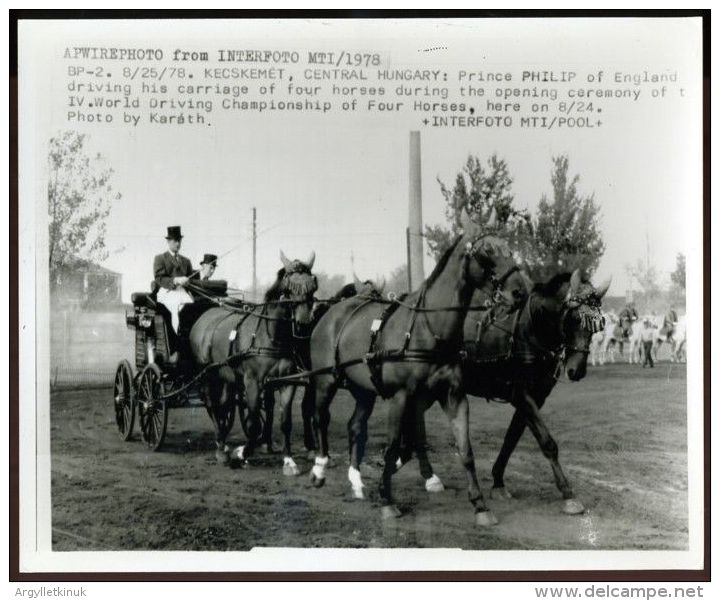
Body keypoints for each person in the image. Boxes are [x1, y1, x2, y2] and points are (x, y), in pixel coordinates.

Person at [153, 225, 194, 333]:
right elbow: (159, 278)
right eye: (175, 241)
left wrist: (187, 282)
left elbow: (191, 279)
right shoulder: (160, 258)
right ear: (169, 241)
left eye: (179, 241)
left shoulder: (186, 261)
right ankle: (177, 338)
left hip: (182, 291)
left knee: (191, 306)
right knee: (176, 307)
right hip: (167, 291)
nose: (178, 244)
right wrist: (175, 280)